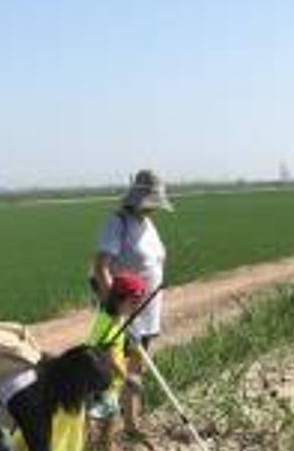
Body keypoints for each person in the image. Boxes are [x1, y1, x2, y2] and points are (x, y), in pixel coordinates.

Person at [91, 169, 173, 435]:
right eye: (152, 202)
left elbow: (157, 258)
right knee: (114, 374)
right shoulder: (118, 222)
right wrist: (114, 310)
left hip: (148, 310)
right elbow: (101, 266)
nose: (155, 209)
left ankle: (131, 424)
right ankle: (105, 435)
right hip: (124, 314)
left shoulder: (147, 224)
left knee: (137, 369)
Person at [85, 270, 147, 451]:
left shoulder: (110, 313)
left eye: (140, 300)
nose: (138, 305)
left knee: (104, 423)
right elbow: (109, 356)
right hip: (101, 383)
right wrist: (128, 378)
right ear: (120, 298)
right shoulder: (110, 323)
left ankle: (103, 445)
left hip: (102, 380)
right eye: (134, 301)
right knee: (105, 424)